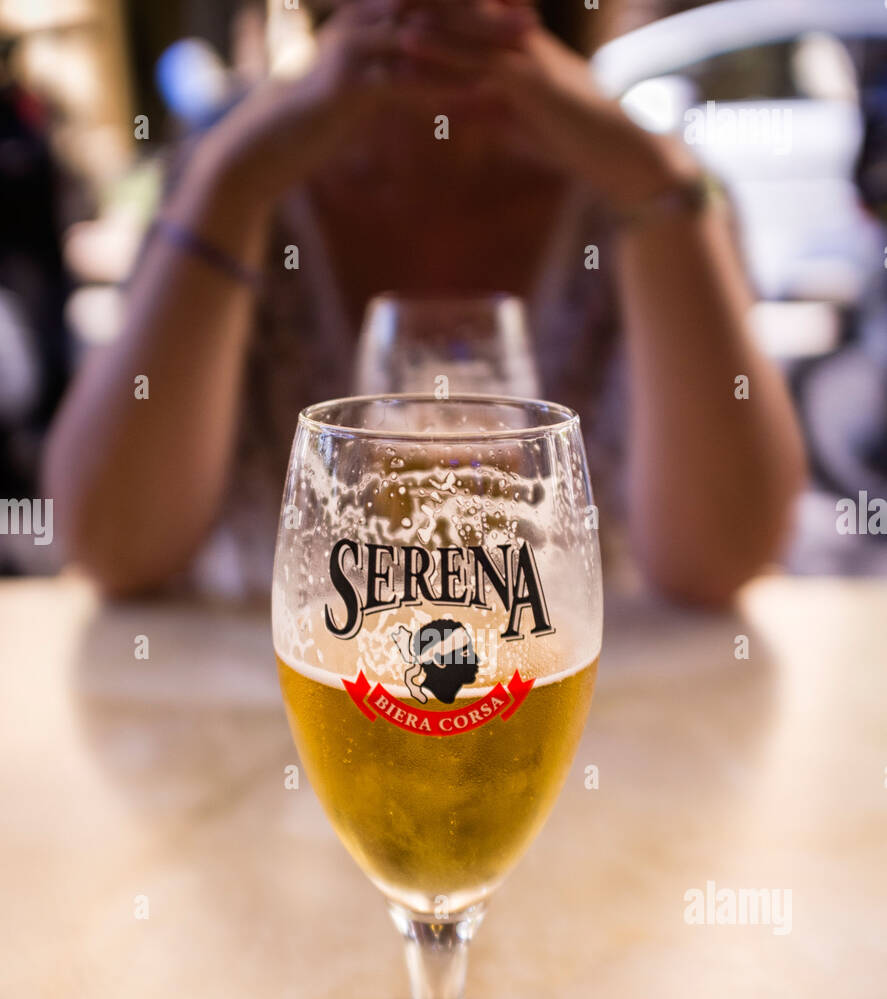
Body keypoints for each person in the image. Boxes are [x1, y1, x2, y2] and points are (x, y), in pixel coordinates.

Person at [43, 0, 807, 604]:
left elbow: (719, 564)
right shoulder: (233, 181)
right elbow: (113, 547)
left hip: (568, 736)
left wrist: (653, 183)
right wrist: (231, 181)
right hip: (281, 732)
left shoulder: (642, 188)